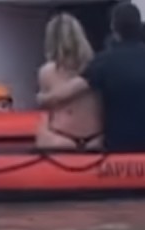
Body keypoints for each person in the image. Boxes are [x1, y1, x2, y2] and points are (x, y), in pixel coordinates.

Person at [36, 2, 145, 153]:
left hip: (120, 143)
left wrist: (42, 98)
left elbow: (71, 90)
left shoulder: (104, 63)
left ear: (114, 29)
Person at [35, 13, 103, 149]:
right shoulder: (98, 66)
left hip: (63, 135)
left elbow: (49, 103)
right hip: (91, 136)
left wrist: (42, 98)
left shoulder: (47, 71)